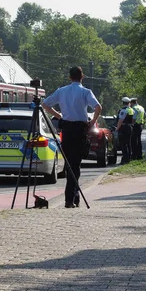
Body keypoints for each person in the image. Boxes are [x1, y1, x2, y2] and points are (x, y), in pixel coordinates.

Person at [42, 66, 102, 208]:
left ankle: (73, 198)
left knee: (70, 164)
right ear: (82, 77)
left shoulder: (62, 91)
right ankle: (71, 198)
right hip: (80, 129)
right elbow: (98, 107)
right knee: (76, 164)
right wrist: (92, 122)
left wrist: (59, 116)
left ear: (69, 77)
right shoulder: (86, 92)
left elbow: (45, 104)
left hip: (67, 129)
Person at [116, 97, 134, 164]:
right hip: (129, 127)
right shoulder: (131, 110)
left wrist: (117, 128)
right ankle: (128, 158)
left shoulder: (123, 110)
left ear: (123, 103)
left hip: (123, 128)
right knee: (128, 144)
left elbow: (120, 120)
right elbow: (133, 120)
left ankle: (125, 159)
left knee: (123, 144)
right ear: (128, 103)